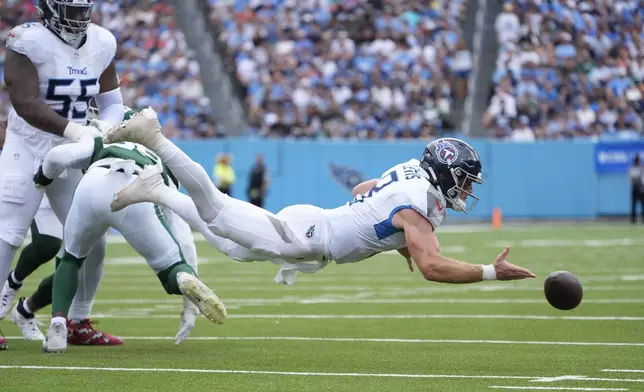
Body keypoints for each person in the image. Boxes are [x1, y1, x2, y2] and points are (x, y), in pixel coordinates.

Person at [106, 108, 535, 284]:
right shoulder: (421, 202)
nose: (465, 190)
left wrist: (395, 234)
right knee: (217, 212)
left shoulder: (410, 176)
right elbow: (433, 267)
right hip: (309, 235)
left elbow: (364, 191)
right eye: (463, 179)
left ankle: (158, 191)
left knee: (227, 247)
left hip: (317, 234)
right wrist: (490, 272)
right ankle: (155, 136)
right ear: (444, 171)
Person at [0, 0, 124, 346]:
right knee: (9, 231)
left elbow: (113, 103)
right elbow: (25, 103)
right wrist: (76, 132)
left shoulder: (101, 42)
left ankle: (77, 320)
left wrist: (102, 129)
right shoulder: (27, 41)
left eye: (82, 10)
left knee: (93, 234)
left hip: (72, 151)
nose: (79, 18)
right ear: (49, 9)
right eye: (70, 10)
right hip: (28, 146)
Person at [31, 135, 226, 353]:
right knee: (171, 268)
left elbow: (58, 156)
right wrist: (188, 293)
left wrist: (42, 179)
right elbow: (184, 238)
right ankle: (181, 278)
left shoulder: (105, 141)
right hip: (138, 189)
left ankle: (57, 327)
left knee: (71, 258)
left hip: (93, 182)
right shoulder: (165, 165)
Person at [0, 120, 62, 343]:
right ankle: (12, 284)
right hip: (31, 168)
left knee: (83, 256)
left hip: (67, 172)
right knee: (46, 243)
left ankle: (27, 310)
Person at [629, 155, 644, 224]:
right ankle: (633, 220)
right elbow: (632, 179)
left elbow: (642, 179)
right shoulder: (632, 169)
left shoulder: (642, 169)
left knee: (642, 205)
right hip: (635, 189)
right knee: (633, 206)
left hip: (641, 189)